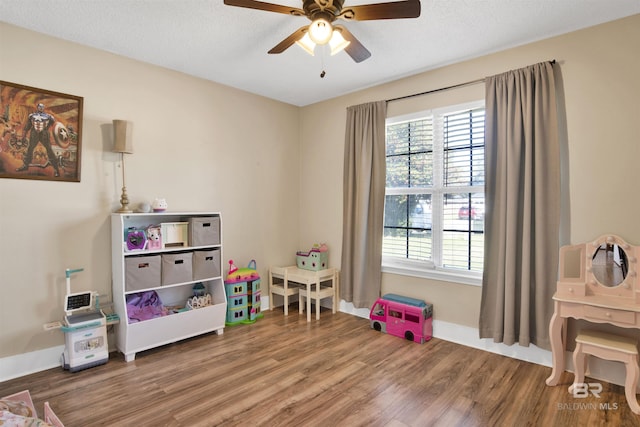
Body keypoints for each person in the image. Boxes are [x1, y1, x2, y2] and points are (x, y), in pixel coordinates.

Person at [16, 103, 60, 177]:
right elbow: (27, 126)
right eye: (39, 107)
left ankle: (56, 169)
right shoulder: (31, 116)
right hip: (34, 134)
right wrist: (23, 135)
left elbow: (55, 126)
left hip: (44, 134)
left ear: (44, 108)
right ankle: (25, 165)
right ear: (37, 107)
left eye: (42, 107)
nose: (41, 108)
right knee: (30, 148)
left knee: (49, 150)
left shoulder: (49, 116)